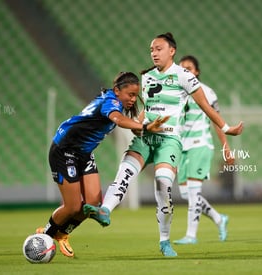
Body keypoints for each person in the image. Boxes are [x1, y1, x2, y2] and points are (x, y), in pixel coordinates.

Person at [84, 32, 243, 257]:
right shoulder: (147, 77)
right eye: (151, 50)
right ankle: (105, 210)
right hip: (147, 136)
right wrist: (137, 126)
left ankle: (165, 240)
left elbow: (207, 107)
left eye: (158, 49)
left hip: (170, 140)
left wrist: (227, 129)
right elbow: (147, 109)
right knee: (125, 171)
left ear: (172, 51)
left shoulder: (184, 76)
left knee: (163, 187)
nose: (154, 53)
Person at [35, 72, 169, 257]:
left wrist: (148, 126)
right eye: (129, 95)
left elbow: (130, 123)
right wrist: (145, 127)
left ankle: (63, 234)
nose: (132, 99)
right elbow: (119, 120)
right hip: (64, 150)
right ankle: (45, 237)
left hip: (84, 154)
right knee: (73, 207)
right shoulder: (110, 102)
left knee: (93, 204)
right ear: (117, 91)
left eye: (135, 95)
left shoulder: (118, 104)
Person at [173, 55, 234, 245]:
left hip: (200, 144)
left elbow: (217, 121)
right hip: (182, 147)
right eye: (182, 68)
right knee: (186, 194)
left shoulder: (206, 92)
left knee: (193, 192)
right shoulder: (176, 93)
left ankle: (191, 235)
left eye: (189, 68)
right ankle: (218, 218)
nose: (185, 71)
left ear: (196, 71)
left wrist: (226, 147)